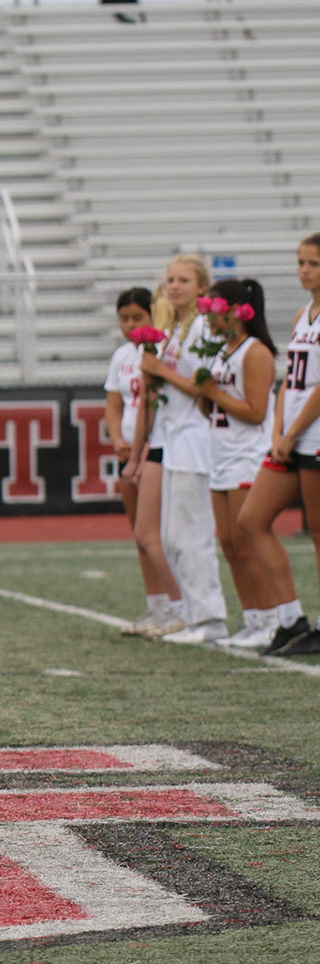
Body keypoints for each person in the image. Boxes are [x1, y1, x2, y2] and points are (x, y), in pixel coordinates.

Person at [130, 253, 227, 643]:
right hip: (173, 439)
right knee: (172, 536)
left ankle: (210, 618)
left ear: (202, 288)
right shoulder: (172, 329)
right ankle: (191, 613)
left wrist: (161, 373)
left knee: (192, 535)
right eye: (170, 280)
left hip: (194, 439)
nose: (174, 287)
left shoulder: (204, 329)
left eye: (184, 280)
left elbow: (207, 389)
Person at [237, 235, 320, 655]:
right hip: (292, 436)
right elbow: (292, 380)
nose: (304, 270)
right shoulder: (303, 314)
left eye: (313, 263)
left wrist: (293, 431)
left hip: (314, 436)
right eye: (301, 262)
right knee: (251, 520)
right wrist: (279, 432)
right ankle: (291, 619)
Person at [193, 280, 279, 650]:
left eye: (214, 310)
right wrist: (204, 393)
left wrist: (213, 392)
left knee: (246, 543)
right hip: (220, 455)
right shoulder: (218, 352)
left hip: (247, 455)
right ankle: (253, 618)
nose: (209, 318)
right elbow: (210, 409)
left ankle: (272, 619)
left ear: (236, 311)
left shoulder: (255, 352)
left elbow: (256, 412)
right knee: (229, 544)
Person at [102, 287, 183, 635]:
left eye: (138, 317)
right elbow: (114, 405)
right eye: (124, 318)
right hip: (131, 451)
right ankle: (157, 606)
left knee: (155, 534)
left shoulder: (160, 352)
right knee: (140, 534)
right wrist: (118, 440)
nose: (130, 324)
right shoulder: (122, 355)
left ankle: (180, 605)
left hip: (157, 448)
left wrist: (141, 447)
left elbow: (155, 403)